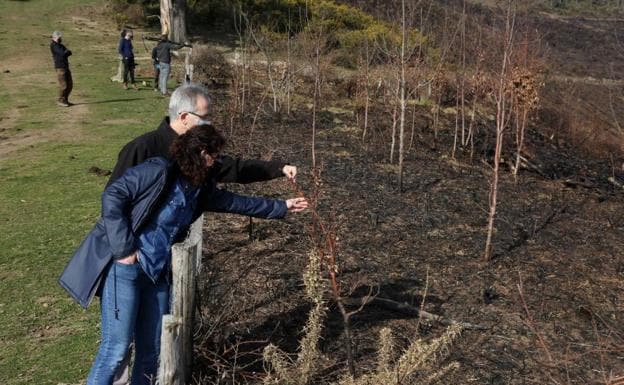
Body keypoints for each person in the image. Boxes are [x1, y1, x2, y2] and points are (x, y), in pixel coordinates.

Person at [59, 124, 309, 385]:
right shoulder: (158, 171)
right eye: (215, 155)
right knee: (116, 349)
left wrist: (282, 206)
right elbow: (113, 195)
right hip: (127, 270)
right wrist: (124, 250)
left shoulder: (199, 188)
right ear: (202, 153)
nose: (217, 162)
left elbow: (236, 202)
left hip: (158, 275)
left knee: (151, 351)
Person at [106, 82, 297, 385]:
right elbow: (112, 201)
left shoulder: (201, 154)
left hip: (161, 265)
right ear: (184, 116)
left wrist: (277, 170)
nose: (210, 123)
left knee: (151, 345)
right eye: (205, 117)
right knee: (117, 349)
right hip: (129, 264)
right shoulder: (143, 149)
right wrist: (124, 251)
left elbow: (234, 175)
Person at [50, 31, 73, 107]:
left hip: (66, 66)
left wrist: (66, 52)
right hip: (60, 68)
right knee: (64, 85)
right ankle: (60, 100)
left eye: (60, 37)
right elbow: (63, 53)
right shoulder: (53, 45)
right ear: (54, 37)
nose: (60, 38)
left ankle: (65, 100)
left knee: (70, 85)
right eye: (58, 37)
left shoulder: (61, 46)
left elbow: (69, 52)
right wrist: (65, 52)